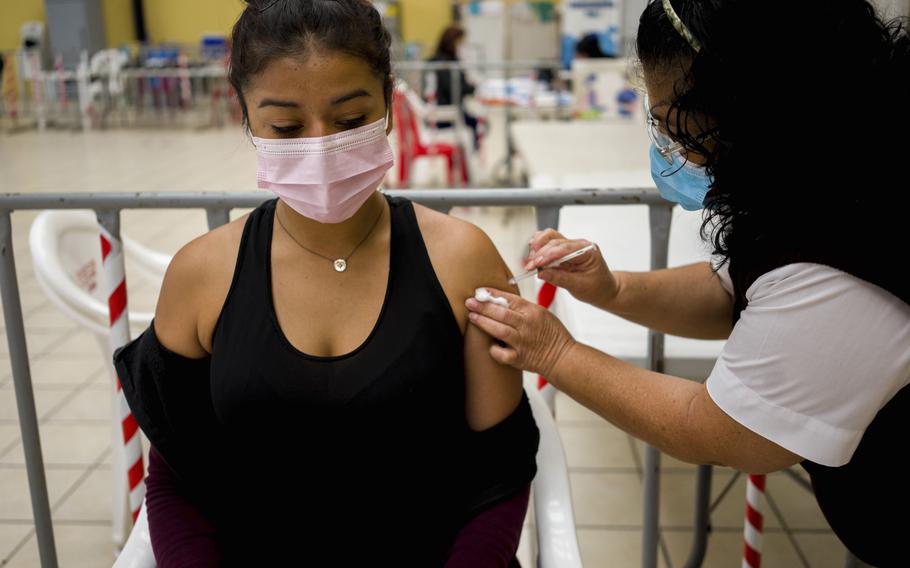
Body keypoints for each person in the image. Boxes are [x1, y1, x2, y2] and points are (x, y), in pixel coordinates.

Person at [465, 0, 909, 565]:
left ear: (753, 111)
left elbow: (717, 428)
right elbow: (733, 292)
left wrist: (556, 350)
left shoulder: (857, 237)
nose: (668, 151)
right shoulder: (824, 173)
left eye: (675, 124)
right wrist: (613, 289)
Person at [113, 1, 538, 566]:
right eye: (287, 127)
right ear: (246, 117)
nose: (320, 147)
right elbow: (177, 473)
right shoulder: (201, 276)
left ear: (388, 99)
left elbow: (498, 472)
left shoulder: (463, 260)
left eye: (350, 120)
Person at [429, 25, 480, 146]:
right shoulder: (444, 63)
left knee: (476, 121)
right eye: (461, 42)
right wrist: (472, 87)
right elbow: (454, 89)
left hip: (452, 109)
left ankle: (468, 160)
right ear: (453, 42)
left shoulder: (447, 60)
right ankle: (467, 161)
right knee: (474, 123)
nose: (462, 46)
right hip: (446, 113)